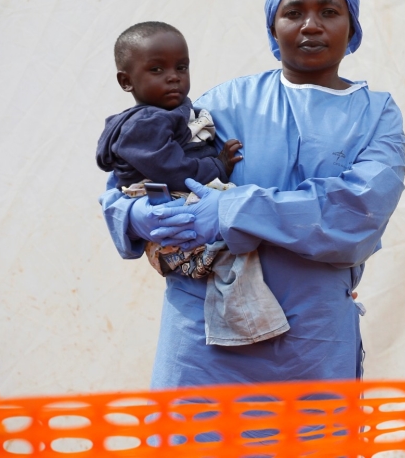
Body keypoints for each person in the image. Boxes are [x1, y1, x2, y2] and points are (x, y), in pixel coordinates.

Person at [99, 0, 405, 387]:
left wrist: (231, 210)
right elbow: (129, 175)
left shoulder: (376, 116)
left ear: (352, 26)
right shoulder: (222, 104)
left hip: (313, 343)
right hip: (202, 345)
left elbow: (357, 213)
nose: (311, 26)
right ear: (272, 28)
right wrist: (135, 217)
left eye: (329, 12)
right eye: (293, 13)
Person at [97, 21, 289, 348]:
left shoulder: (169, 112)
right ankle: (249, 324)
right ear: (126, 81)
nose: (173, 77)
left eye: (181, 67)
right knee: (233, 246)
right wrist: (219, 165)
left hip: (178, 192)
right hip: (170, 197)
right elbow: (172, 169)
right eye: (157, 69)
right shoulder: (146, 122)